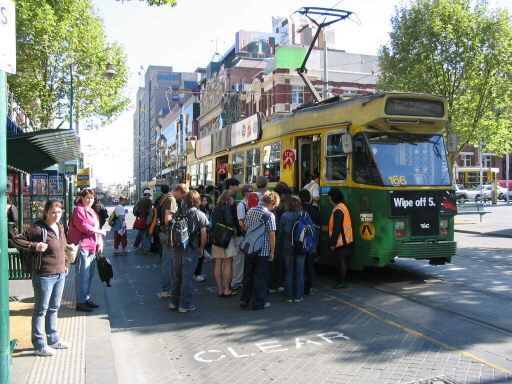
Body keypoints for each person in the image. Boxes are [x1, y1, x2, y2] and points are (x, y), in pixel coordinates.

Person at [11, 200, 70, 356]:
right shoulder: (38, 228)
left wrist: (66, 264)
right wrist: (34, 246)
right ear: (46, 212)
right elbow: (16, 239)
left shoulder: (60, 227)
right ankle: (39, 344)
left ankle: (53, 338)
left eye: (59, 212)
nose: (56, 215)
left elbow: (64, 247)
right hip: (44, 275)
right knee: (41, 309)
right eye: (53, 212)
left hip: (59, 274)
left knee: (53, 308)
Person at [168, 190, 208, 312]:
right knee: (187, 278)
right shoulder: (199, 214)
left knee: (176, 276)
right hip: (191, 248)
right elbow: (203, 234)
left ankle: (173, 302)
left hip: (177, 248)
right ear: (197, 200)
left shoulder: (179, 212)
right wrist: (201, 248)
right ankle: (185, 305)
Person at [67, 189, 106, 312]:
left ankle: (86, 298)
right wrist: (99, 232)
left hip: (92, 246)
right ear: (82, 198)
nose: (90, 200)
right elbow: (84, 226)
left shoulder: (92, 211)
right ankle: (80, 302)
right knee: (82, 275)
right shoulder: (79, 210)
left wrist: (100, 241)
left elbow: (96, 226)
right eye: (87, 197)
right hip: (83, 246)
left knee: (89, 275)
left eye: (92, 198)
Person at [240, 191, 279, 310]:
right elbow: (271, 234)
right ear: (271, 203)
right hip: (263, 250)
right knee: (260, 277)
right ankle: (258, 303)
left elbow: (245, 227)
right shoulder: (269, 215)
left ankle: (244, 300)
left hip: (250, 248)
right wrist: (272, 252)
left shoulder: (251, 211)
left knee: (248, 275)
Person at [279, 195, 315, 302]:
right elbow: (312, 230)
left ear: (287, 204)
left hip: (287, 246)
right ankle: (299, 296)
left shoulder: (284, 216)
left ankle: (288, 296)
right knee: (300, 270)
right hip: (301, 246)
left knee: (289, 270)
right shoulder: (304, 214)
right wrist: (312, 246)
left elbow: (280, 233)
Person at [159, 184, 186, 299]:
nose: (183, 197)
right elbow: (167, 219)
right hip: (168, 235)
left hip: (164, 233)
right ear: (179, 191)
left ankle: (167, 288)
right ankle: (165, 289)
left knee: (169, 262)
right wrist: (174, 232)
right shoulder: (171, 199)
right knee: (169, 263)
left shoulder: (165, 197)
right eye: (183, 194)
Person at [211, 190, 238, 297]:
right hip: (226, 238)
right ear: (228, 199)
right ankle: (227, 289)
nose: (234, 201)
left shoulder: (216, 208)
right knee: (227, 264)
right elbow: (230, 222)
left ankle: (220, 289)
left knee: (218, 263)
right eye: (232, 199)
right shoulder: (227, 208)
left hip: (216, 238)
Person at [268, 182, 291, 294]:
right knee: (277, 261)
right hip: (279, 236)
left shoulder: (274, 204)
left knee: (274, 262)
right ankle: (276, 283)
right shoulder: (282, 205)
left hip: (275, 236)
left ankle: (273, 284)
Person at [328, 188, 353, 289]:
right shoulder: (343, 207)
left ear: (332, 198)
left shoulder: (338, 210)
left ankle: (341, 282)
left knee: (341, 263)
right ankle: (340, 281)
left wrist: (333, 244)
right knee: (342, 263)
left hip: (341, 242)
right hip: (346, 240)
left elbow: (336, 228)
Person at [299, 189, 320, 295]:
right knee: (310, 264)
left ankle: (300, 286)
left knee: (300, 265)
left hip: (300, 241)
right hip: (311, 242)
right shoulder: (315, 209)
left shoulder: (299, 209)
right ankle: (310, 286)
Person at [232, 185, 253, 291]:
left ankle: (239, 280)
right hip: (243, 235)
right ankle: (236, 281)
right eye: (250, 191)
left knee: (242, 259)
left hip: (247, 235)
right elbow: (241, 221)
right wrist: (247, 230)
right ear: (245, 193)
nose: (252, 193)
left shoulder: (249, 204)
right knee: (239, 259)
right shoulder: (241, 205)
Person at [195, 195, 213, 282]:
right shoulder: (199, 211)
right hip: (199, 234)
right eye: (203, 200)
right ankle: (197, 274)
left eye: (206, 200)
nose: (205, 202)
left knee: (200, 255)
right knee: (199, 255)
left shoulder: (207, 210)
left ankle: (197, 273)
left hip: (204, 233)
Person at [134, 189, 153, 254]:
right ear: (147, 195)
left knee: (142, 233)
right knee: (146, 234)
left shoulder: (140, 200)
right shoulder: (148, 201)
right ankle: (146, 249)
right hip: (147, 219)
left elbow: (137, 210)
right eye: (149, 195)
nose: (150, 196)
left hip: (141, 218)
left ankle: (142, 247)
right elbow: (151, 211)